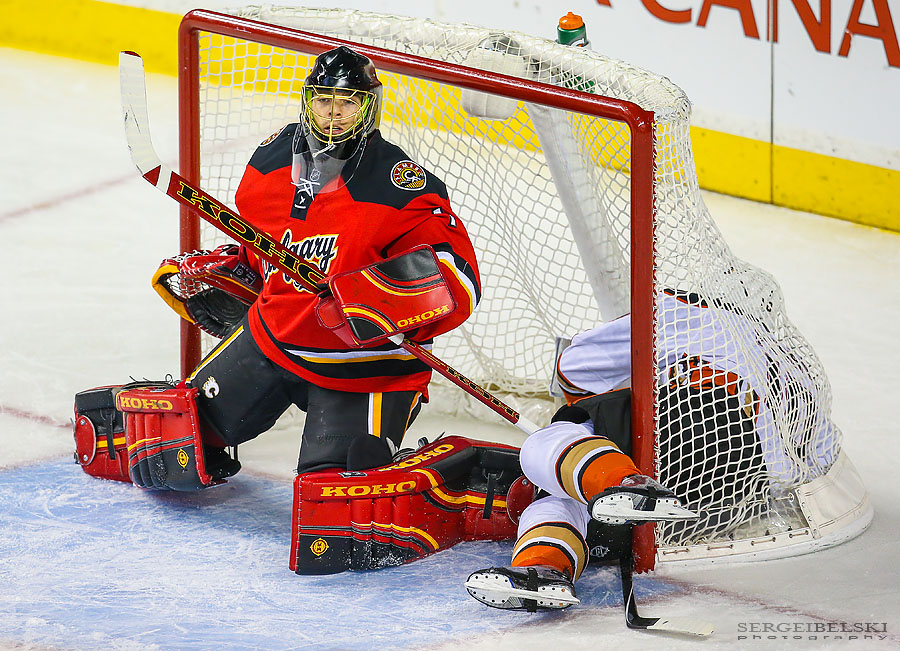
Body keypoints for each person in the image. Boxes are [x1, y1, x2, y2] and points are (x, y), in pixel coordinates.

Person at [136, 45, 481, 489]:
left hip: (366, 366)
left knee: (335, 495)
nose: (333, 114)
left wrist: (372, 302)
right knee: (171, 444)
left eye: (347, 103)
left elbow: (459, 279)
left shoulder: (399, 185)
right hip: (273, 337)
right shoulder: (271, 160)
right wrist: (239, 270)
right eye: (324, 100)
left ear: (368, 108)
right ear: (308, 100)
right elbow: (264, 245)